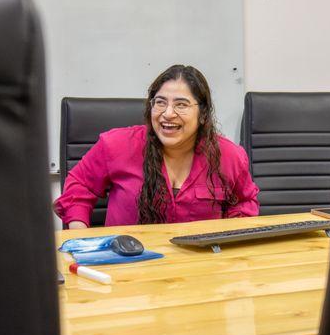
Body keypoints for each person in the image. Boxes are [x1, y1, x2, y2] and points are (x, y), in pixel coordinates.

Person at [54, 65, 259, 228]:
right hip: (127, 268)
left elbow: (243, 203)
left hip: (202, 270)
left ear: (203, 115)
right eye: (160, 102)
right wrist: (80, 236)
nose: (168, 113)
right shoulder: (116, 145)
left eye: (181, 104)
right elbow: (79, 186)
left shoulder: (229, 156)